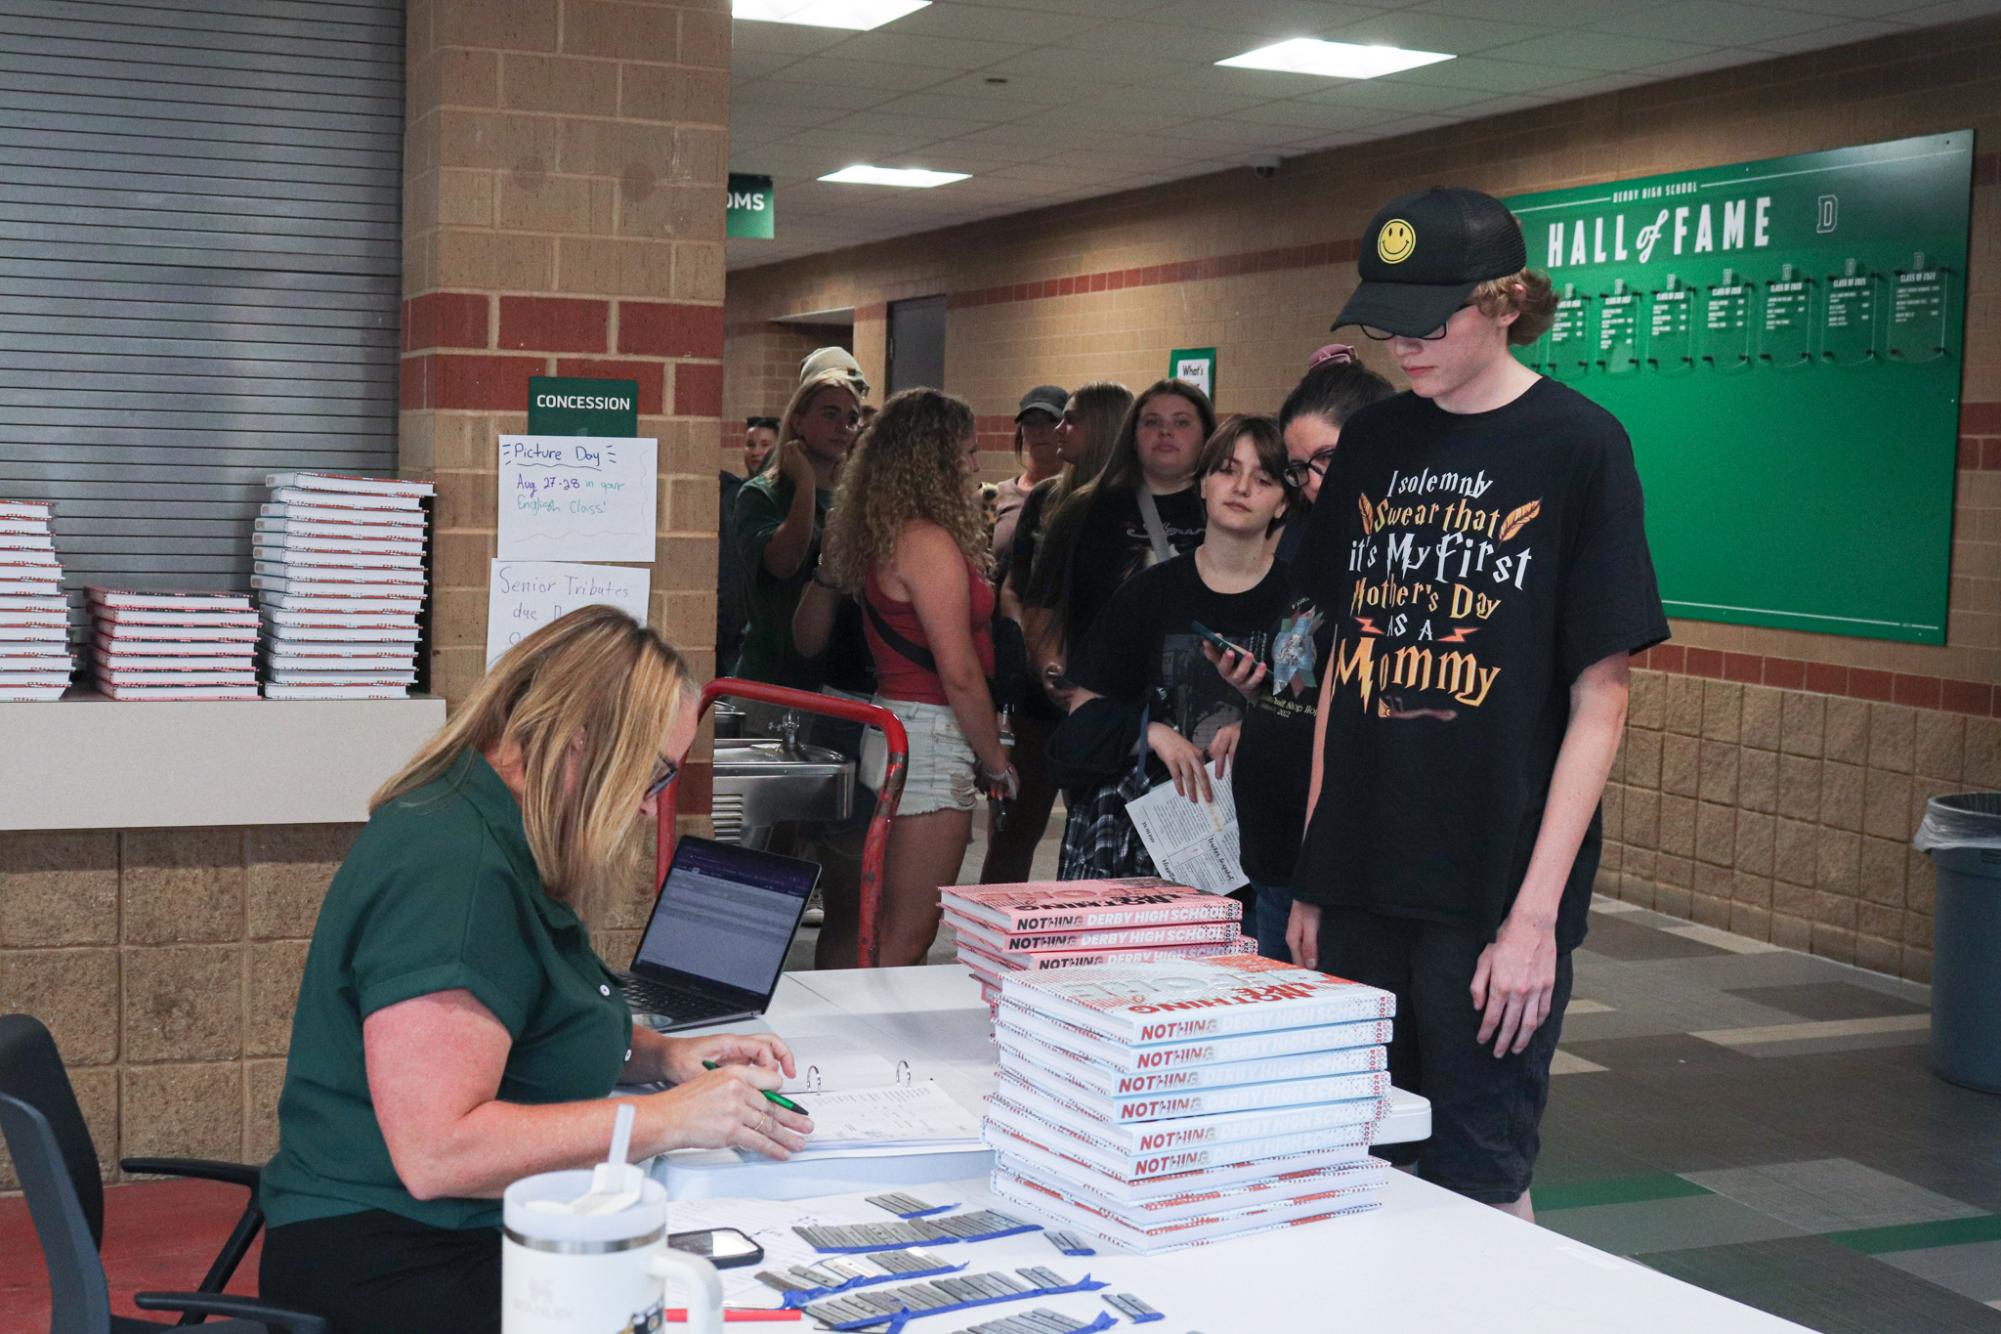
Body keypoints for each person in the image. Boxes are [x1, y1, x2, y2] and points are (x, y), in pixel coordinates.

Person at [257, 607, 812, 1334]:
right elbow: (438, 1153)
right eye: (652, 774)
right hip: (395, 1259)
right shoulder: (455, 876)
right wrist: (664, 1121)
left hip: (442, 1232)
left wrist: (664, 1058)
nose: (650, 809)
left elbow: (529, 1016)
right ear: (579, 739)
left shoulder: (490, 816)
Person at [1292, 187, 1668, 1220]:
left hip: (1490, 884)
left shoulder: (1579, 444)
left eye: (1429, 319)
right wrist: (1317, 876)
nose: (1402, 343)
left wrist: (1535, 919)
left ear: (1507, 301)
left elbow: (1603, 697)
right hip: (1362, 867)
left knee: (1481, 1169)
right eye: (1385, 321)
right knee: (1351, 1154)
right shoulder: (1369, 447)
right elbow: (1342, 667)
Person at [819, 388, 1015, 965]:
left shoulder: (893, 531)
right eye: (967, 453)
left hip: (901, 725)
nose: (976, 467)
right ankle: (879, 1053)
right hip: (926, 733)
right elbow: (958, 674)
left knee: (884, 923)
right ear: (933, 458)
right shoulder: (925, 541)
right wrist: (997, 761)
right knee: (908, 931)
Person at [1210, 348, 1395, 959]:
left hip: (1333, 863)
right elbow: (1303, 684)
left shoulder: (1400, 557)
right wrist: (1253, 697)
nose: (1312, 483)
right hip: (1272, 841)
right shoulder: (1313, 544)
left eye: (1327, 459)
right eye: (1297, 469)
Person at [1055, 416, 1294, 882]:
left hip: (1261, 850)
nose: (1241, 487)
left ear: (1283, 503)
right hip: (1153, 843)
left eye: (1262, 478)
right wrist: (1150, 733)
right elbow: (1080, 722)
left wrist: (1259, 724)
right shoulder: (1147, 594)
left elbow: (1323, 721)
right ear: (1202, 484)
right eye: (1227, 470)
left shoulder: (1301, 602)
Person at [982, 381, 1132, 885]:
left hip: (1109, 697)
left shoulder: (1136, 503)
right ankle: (987, 940)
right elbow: (1016, 589)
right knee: (1015, 830)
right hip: (1042, 694)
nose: (1058, 431)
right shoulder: (1047, 498)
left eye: (1071, 419)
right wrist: (1042, 658)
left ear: (1105, 427)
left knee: (1100, 832)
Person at [1021, 380, 1215, 714]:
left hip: (1202, 699)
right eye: (1152, 422)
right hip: (1103, 699)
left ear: (1207, 435)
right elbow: (1043, 602)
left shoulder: (1227, 509)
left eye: (1181, 422)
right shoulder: (1085, 508)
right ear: (1132, 435)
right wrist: (1051, 669)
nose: (1165, 432)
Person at [730, 370, 860, 684]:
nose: (843, 427)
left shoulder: (857, 496)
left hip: (841, 677)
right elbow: (785, 562)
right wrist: (805, 483)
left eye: (852, 418)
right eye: (830, 414)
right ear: (799, 421)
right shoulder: (761, 494)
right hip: (773, 673)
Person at [719, 416, 782, 672]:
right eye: (750, 444)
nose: (757, 452)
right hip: (731, 618)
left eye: (765, 444)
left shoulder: (788, 501)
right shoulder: (731, 494)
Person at [991, 385, 1067, 575]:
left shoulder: (1078, 492)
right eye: (1030, 422)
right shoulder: (994, 495)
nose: (1039, 431)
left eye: (1050, 421)